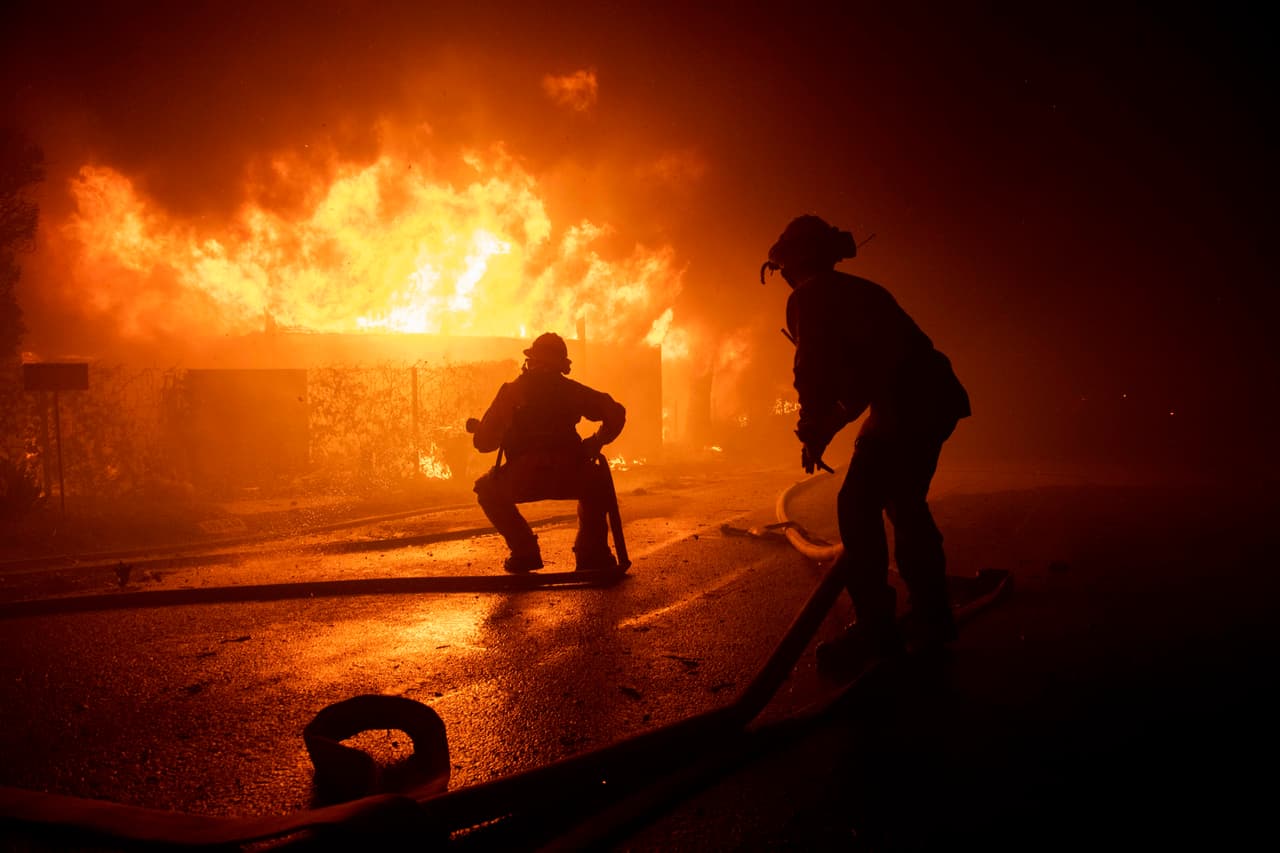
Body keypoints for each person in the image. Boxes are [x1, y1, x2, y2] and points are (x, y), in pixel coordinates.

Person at [761, 215, 971, 664]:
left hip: (908, 402)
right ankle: (931, 615)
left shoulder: (810, 295)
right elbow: (863, 382)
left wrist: (813, 426)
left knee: (857, 505)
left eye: (784, 270)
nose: (786, 279)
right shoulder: (859, 292)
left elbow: (813, 370)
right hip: (931, 396)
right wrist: (825, 429)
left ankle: (878, 627)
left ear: (795, 262)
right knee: (903, 501)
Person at [468, 332, 627, 573]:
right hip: (570, 474)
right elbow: (615, 413)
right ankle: (591, 554)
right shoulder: (572, 391)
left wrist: (494, 430)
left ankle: (525, 551)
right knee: (596, 484)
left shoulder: (512, 391)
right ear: (562, 366)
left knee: (486, 490)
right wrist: (595, 442)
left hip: (524, 477)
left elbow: (483, 443)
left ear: (531, 361)